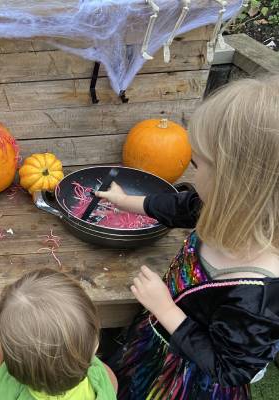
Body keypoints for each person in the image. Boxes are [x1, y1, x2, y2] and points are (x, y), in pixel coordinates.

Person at [97, 77, 279, 399]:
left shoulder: (260, 294)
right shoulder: (220, 208)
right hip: (156, 340)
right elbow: (179, 206)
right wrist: (127, 202)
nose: (192, 175)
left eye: (198, 164)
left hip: (185, 380)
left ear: (231, 181)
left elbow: (230, 369)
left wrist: (165, 309)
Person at [0, 268, 118, 399]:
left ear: (3, 347)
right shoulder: (106, 382)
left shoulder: (0, 390)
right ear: (94, 347)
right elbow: (110, 382)